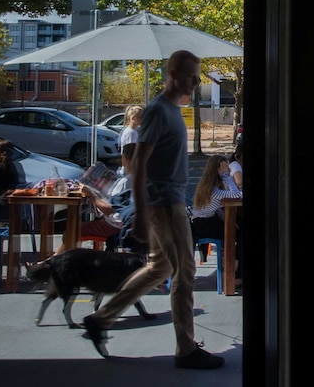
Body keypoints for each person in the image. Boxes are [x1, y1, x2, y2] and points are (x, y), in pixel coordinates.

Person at [82, 49, 225, 369]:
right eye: (191, 75)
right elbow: (138, 164)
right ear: (173, 73)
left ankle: (101, 319)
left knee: (159, 270)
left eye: (198, 75)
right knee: (185, 274)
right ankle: (186, 350)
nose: (196, 81)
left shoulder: (173, 110)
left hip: (170, 202)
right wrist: (143, 215)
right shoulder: (159, 111)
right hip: (165, 205)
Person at [190, 154, 243, 277]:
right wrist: (227, 178)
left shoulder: (207, 186)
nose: (229, 170)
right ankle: (232, 268)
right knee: (236, 232)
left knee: (235, 227)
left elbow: (217, 208)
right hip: (204, 225)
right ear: (218, 170)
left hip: (201, 222)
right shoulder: (214, 191)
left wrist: (226, 219)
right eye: (225, 167)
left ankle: (231, 265)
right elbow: (236, 195)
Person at [118, 105, 143, 176]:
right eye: (140, 117)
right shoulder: (131, 133)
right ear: (133, 118)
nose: (142, 119)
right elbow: (130, 153)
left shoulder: (133, 131)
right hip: (129, 169)